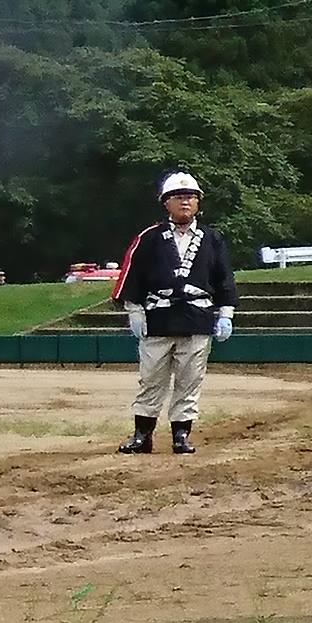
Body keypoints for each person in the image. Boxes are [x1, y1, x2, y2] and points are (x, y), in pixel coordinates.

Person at [114, 170, 235, 457]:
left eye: (190, 197)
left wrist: (226, 313)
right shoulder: (149, 238)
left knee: (189, 380)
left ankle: (181, 435)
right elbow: (132, 276)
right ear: (165, 203)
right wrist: (134, 312)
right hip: (158, 320)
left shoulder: (212, 238)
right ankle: (142, 435)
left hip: (197, 319)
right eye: (178, 197)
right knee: (151, 379)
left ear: (198, 202)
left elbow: (224, 279)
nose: (185, 202)